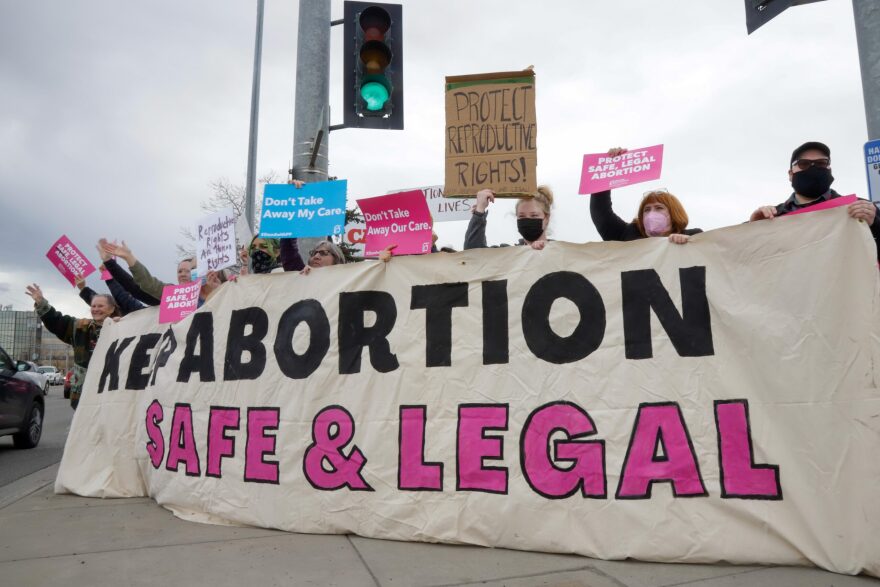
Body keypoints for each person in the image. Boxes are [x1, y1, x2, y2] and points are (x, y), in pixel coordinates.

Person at [748, 141, 880, 258]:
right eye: (803, 164)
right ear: (790, 174)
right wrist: (753, 229)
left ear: (829, 169)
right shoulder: (773, 216)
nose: (813, 168)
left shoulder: (860, 207)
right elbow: (744, 265)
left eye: (821, 163)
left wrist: (875, 224)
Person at [25, 284, 118, 410]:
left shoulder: (123, 328)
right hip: (84, 395)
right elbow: (57, 321)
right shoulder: (80, 327)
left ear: (112, 309)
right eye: (93, 306)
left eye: (100, 306)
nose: (96, 309)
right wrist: (41, 302)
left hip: (113, 394)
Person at [590, 148, 701, 244]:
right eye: (647, 209)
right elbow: (601, 212)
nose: (651, 213)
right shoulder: (626, 234)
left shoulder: (695, 235)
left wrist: (690, 243)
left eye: (659, 208)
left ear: (674, 214)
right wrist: (609, 166)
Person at [463, 186, 555, 250]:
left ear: (546, 218)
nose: (527, 220)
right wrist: (479, 212)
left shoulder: (561, 253)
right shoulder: (509, 255)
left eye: (534, 215)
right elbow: (473, 255)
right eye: (521, 216)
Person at [282, 239, 346, 275]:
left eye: (323, 253)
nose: (316, 256)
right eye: (313, 253)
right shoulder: (302, 274)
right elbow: (289, 250)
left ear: (336, 259)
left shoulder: (345, 282)